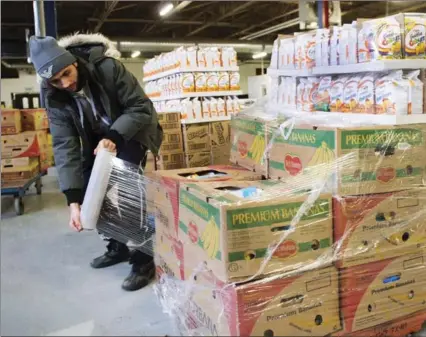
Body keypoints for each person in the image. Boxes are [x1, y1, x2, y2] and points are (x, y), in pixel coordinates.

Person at [29, 33, 163, 291]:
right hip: (97, 141)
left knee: (124, 193)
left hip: (132, 131)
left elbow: (140, 107)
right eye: (56, 81)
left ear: (74, 62)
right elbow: (64, 143)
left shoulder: (108, 68)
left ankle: (143, 259)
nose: (65, 83)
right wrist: (72, 199)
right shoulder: (53, 95)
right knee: (95, 192)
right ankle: (118, 246)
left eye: (67, 73)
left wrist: (114, 136)